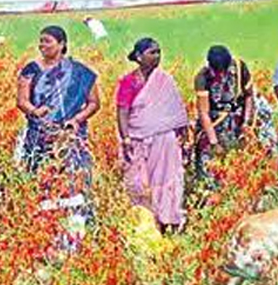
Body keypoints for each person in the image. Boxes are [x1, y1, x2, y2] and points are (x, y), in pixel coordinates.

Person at [15, 25, 100, 241]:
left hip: (71, 137)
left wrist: (76, 120)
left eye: (47, 41)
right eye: (41, 41)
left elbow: (94, 103)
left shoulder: (80, 72)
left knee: (74, 181)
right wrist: (35, 111)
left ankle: (76, 232)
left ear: (61, 44)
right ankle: (45, 233)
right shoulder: (31, 70)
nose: (42, 45)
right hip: (40, 135)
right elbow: (22, 101)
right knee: (44, 180)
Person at [116, 38, 189, 233]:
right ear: (139, 57)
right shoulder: (129, 82)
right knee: (139, 182)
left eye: (158, 52)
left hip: (164, 138)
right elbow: (122, 110)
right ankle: (145, 224)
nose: (157, 56)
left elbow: (177, 112)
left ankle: (168, 220)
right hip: (137, 139)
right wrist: (126, 138)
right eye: (152, 52)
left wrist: (183, 137)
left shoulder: (165, 80)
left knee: (167, 178)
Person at [194, 45, 254, 182]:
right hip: (214, 122)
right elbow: (204, 113)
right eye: (217, 71)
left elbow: (249, 96)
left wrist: (246, 123)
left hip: (236, 120)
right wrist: (214, 142)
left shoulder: (239, 68)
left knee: (238, 163)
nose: (220, 75)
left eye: (223, 70)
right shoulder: (202, 77)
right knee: (210, 167)